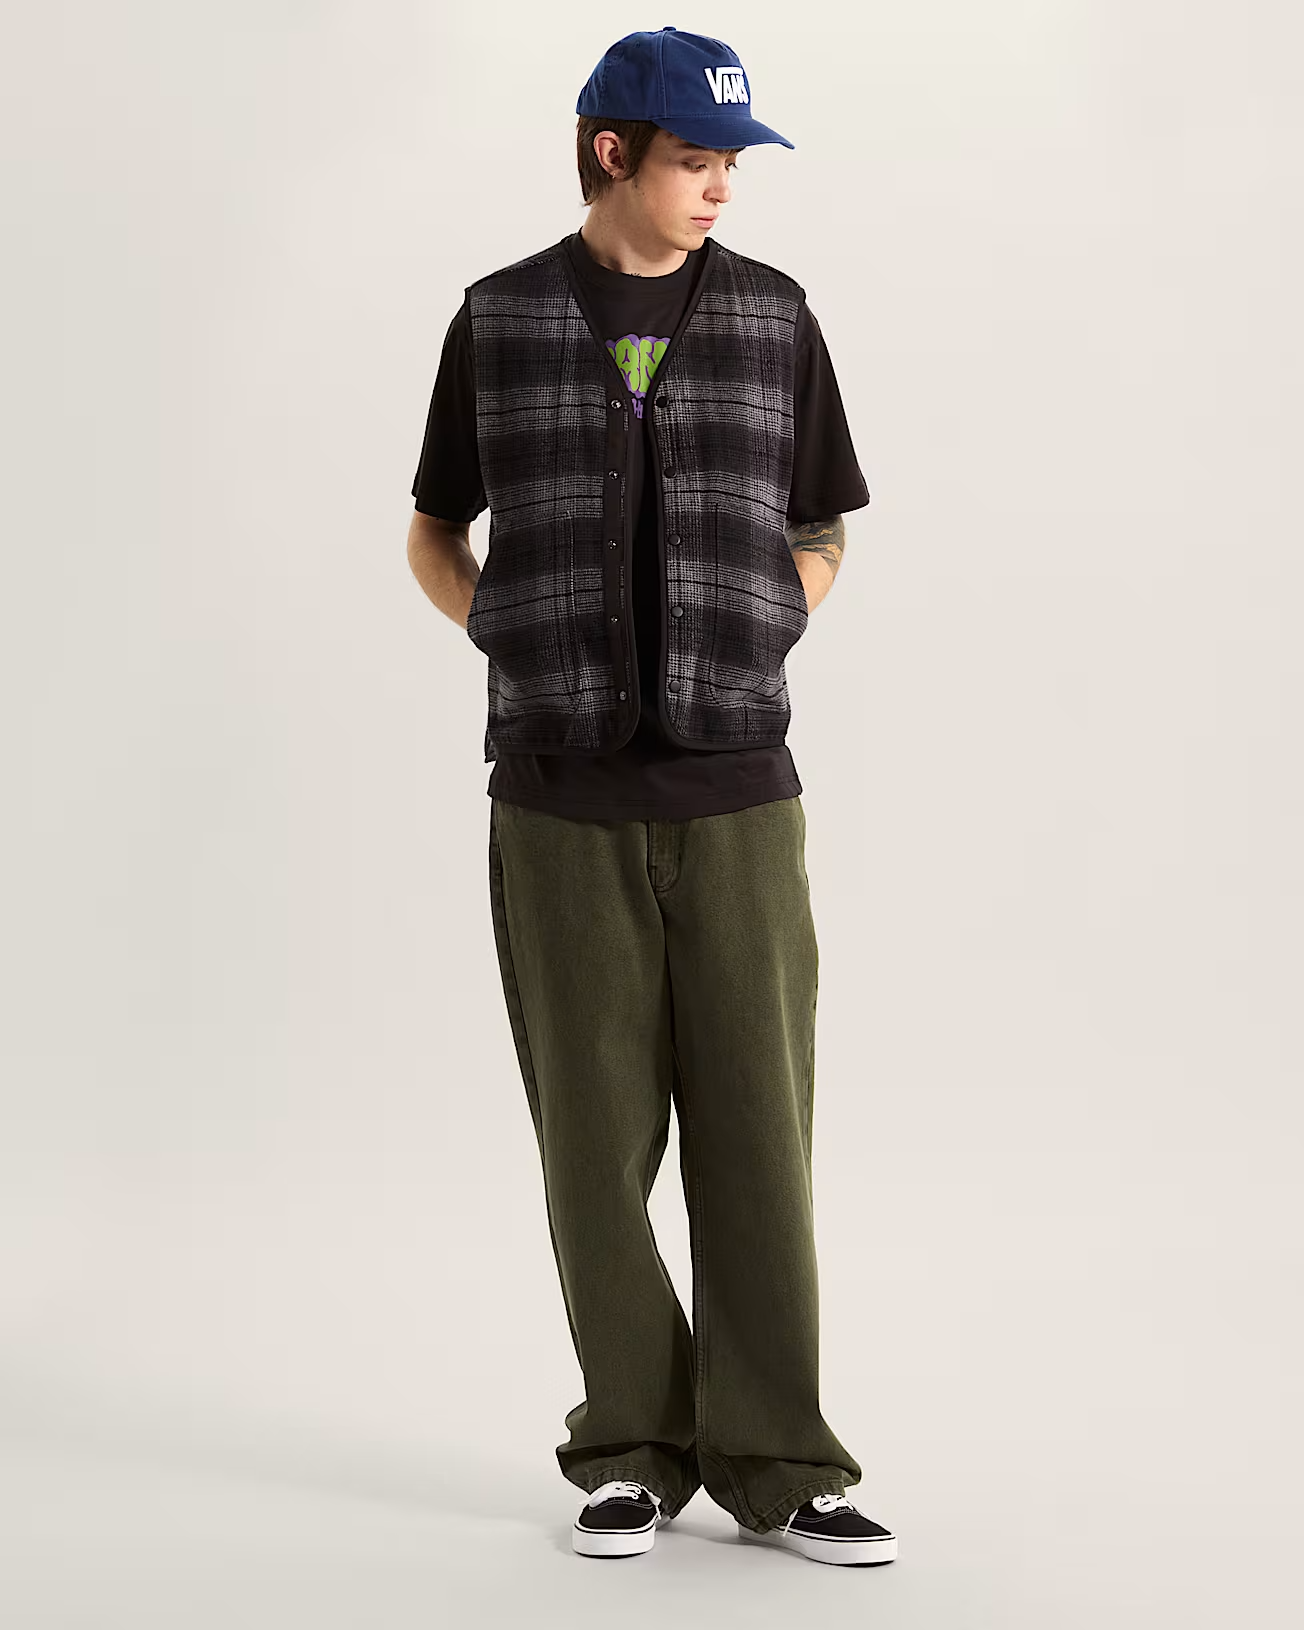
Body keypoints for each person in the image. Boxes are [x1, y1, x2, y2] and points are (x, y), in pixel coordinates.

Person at [406, 26, 898, 1569]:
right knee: (592, 1145)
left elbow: (823, 519)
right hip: (557, 802)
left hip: (740, 792)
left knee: (759, 1135)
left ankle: (782, 1461)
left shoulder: (774, 317)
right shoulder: (498, 320)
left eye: (732, 161)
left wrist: (777, 614)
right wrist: (499, 630)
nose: (723, 187)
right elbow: (433, 524)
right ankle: (628, 1445)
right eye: (697, 159)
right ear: (611, 152)